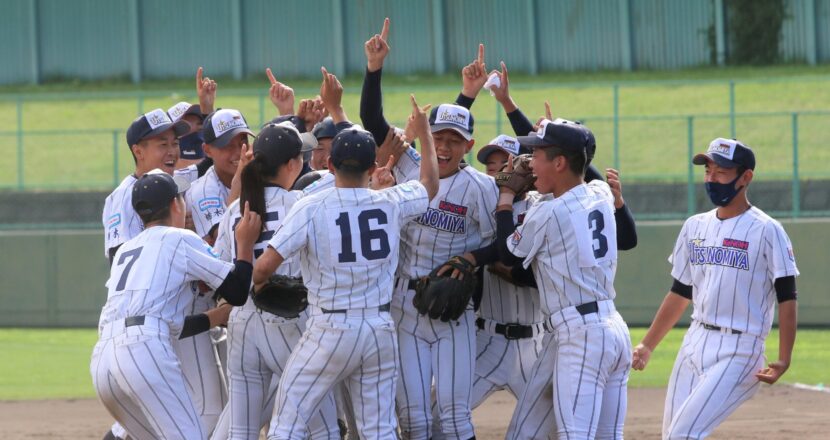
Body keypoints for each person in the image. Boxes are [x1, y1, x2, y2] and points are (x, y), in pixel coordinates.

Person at [252, 68, 439, 440]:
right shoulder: (390, 202)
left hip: (329, 329)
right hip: (379, 329)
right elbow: (430, 184)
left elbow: (264, 268)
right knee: (379, 431)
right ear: (373, 168)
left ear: (330, 164)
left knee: (287, 423)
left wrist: (262, 285)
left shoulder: (311, 206)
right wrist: (427, 136)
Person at [631, 138, 799, 440]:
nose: (711, 179)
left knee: (683, 434)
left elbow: (787, 296)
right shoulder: (694, 226)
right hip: (694, 341)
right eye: (708, 171)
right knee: (671, 435)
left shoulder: (767, 229)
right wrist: (647, 345)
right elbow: (680, 291)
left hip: (740, 348)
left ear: (745, 177)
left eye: (721, 172)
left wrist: (784, 357)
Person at [91, 169, 261, 440]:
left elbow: (169, 325)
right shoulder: (179, 238)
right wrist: (245, 245)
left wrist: (217, 316)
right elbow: (238, 291)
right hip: (143, 350)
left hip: (103, 360)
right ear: (175, 204)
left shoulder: (126, 250)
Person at [494, 119, 632, 439]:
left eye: (537, 155)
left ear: (559, 162)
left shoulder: (548, 213)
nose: (530, 163)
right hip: (612, 328)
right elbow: (583, 176)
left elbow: (508, 253)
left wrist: (506, 196)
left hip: (580, 334)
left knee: (575, 434)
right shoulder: (599, 192)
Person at [212, 121, 339, 440]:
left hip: (241, 324)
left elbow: (219, 271)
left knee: (241, 431)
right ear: (293, 164)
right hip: (290, 322)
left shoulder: (234, 212)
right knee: (322, 427)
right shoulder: (300, 205)